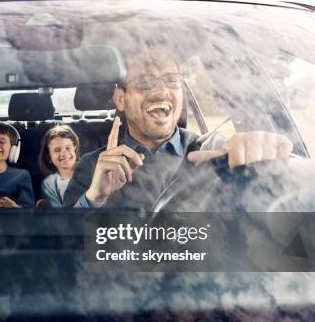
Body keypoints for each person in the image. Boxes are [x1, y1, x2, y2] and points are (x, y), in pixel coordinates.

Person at [63, 49, 293, 209]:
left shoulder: (214, 152)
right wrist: (94, 198)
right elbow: (62, 248)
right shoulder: (92, 167)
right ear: (120, 99)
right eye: (144, 81)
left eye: (172, 80)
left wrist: (265, 158)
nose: (161, 91)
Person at [0, 122, 34, 208]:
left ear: (13, 150)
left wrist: (14, 207)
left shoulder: (22, 175)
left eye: (2, 142)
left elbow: (29, 211)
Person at [38, 125, 81, 207]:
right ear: (49, 157)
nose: (64, 154)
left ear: (75, 150)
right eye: (57, 150)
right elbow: (58, 213)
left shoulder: (89, 172)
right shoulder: (48, 184)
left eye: (68, 148)